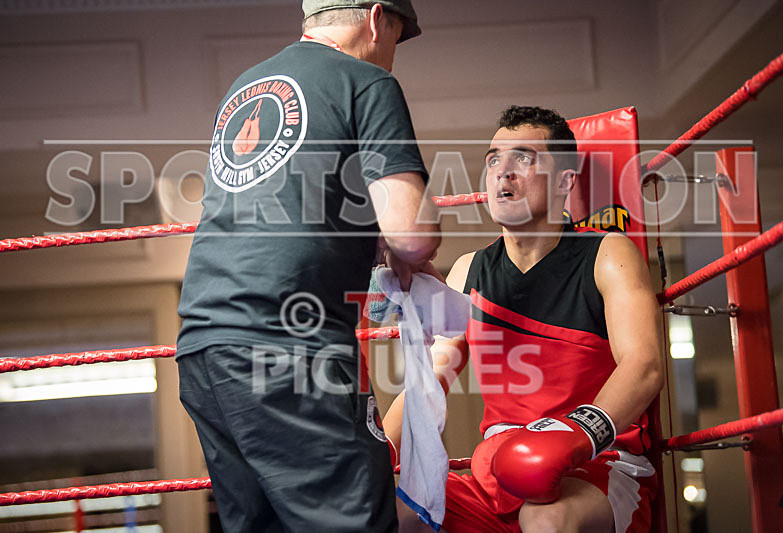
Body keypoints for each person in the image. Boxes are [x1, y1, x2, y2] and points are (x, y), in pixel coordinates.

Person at [175, 1, 440, 531]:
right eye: (395, 36)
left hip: (205, 347)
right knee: (354, 520)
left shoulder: (244, 86)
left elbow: (294, 208)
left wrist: (371, 241)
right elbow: (414, 234)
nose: (391, 55)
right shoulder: (366, 81)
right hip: (287, 345)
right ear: (375, 18)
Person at [384, 105, 664, 532]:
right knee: (386, 509)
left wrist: (574, 435)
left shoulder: (607, 254)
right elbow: (429, 384)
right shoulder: (469, 270)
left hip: (595, 469)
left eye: (524, 158)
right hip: (497, 475)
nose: (503, 171)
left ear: (565, 181)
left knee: (545, 518)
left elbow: (643, 366)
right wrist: (378, 448)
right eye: (494, 159)